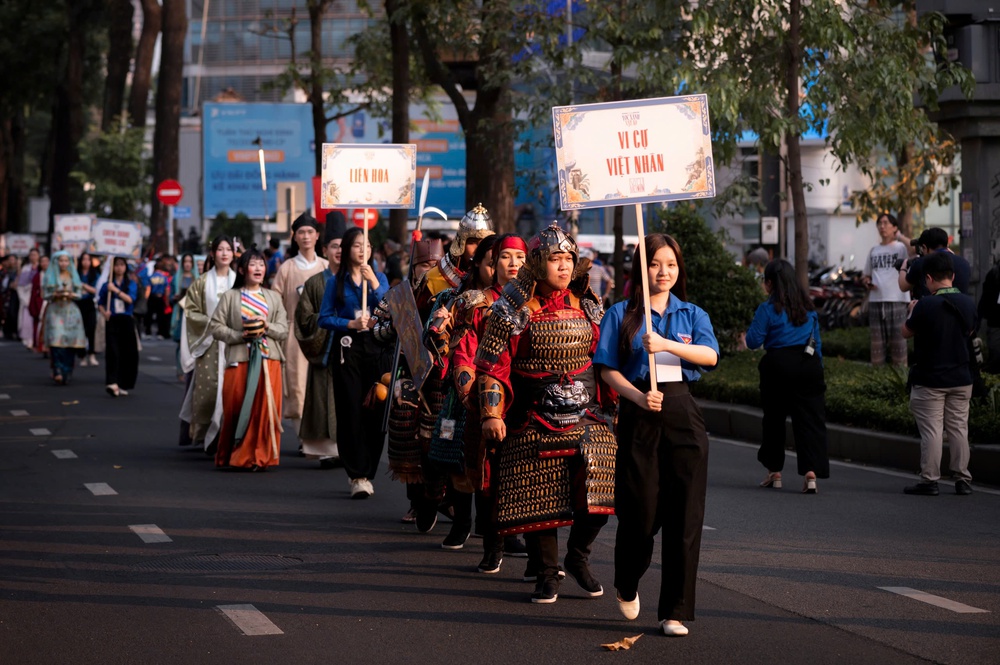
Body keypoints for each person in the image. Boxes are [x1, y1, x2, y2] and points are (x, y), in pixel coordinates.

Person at [475, 223, 616, 605]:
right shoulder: (511, 309)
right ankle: (548, 571)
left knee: (603, 483)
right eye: (555, 259)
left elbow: (603, 361)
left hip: (586, 413)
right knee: (541, 493)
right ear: (538, 264)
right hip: (531, 414)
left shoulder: (587, 304)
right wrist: (492, 413)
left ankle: (578, 555)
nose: (564, 266)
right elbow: (492, 365)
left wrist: (617, 401)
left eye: (568, 259)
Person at [595, 233, 719, 637]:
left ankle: (675, 611)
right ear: (640, 268)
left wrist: (666, 344)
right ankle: (627, 580)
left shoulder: (692, 314)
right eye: (654, 264)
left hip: (683, 412)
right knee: (639, 514)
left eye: (670, 264)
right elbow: (607, 369)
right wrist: (633, 395)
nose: (663, 271)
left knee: (686, 517)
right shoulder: (620, 313)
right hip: (640, 413)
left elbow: (710, 356)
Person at [445, 233, 529, 572]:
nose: (513, 264)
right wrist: (477, 400)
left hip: (530, 401)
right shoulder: (476, 303)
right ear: (493, 263)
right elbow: (464, 354)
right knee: (489, 478)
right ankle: (492, 545)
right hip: (489, 403)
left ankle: (539, 558)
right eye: (506, 257)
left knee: (530, 479)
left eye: (520, 258)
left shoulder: (538, 304)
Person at [423, 234, 499, 550]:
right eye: (493, 262)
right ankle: (461, 522)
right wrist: (439, 328)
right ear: (478, 263)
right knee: (454, 457)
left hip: (501, 392)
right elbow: (433, 342)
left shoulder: (521, 303)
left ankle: (493, 529)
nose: (500, 269)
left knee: (495, 465)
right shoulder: (454, 297)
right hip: (460, 393)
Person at [318, 227, 391, 498]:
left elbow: (389, 308)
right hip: (347, 350)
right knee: (351, 410)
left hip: (376, 347)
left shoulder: (380, 277)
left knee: (376, 408)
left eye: (368, 245)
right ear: (347, 249)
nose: (363, 250)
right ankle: (357, 475)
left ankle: (369, 469)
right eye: (358, 245)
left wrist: (373, 283)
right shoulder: (335, 282)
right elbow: (323, 318)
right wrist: (348, 322)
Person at [745, 259, 829, 493]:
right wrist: (817, 368)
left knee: (774, 419)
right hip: (808, 365)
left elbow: (753, 341)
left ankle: (775, 472)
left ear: (770, 283)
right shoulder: (808, 309)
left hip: (778, 366)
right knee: (810, 421)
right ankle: (811, 474)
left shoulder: (767, 309)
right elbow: (817, 344)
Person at [901, 251, 977, 496]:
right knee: (958, 428)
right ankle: (963, 479)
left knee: (933, 430)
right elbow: (971, 331)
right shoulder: (968, 302)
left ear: (928, 279)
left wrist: (911, 310)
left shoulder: (925, 304)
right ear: (953, 276)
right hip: (962, 377)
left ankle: (929, 480)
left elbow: (905, 332)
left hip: (931, 379)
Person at [210, 247, 288, 471]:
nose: (258, 268)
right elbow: (216, 327)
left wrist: (267, 326)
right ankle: (232, 453)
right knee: (236, 407)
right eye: (253, 264)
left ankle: (259, 457)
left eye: (262, 264)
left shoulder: (273, 297)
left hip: (267, 360)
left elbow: (283, 329)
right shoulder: (230, 297)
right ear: (242, 269)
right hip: (240, 359)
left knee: (264, 411)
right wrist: (239, 335)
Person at [272, 214, 329, 457]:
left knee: (321, 384)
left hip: (325, 331)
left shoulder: (326, 267)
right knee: (296, 385)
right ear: (294, 237)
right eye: (301, 232)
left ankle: (322, 435)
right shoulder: (287, 268)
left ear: (317, 235)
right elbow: (275, 301)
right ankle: (303, 437)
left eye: (310, 231)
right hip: (294, 333)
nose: (306, 236)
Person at [295, 217, 346, 468]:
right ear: (324, 250)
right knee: (324, 397)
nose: (339, 251)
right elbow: (303, 319)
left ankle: (350, 448)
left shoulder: (360, 281)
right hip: (325, 350)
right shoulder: (314, 283)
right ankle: (327, 450)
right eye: (334, 246)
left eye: (343, 246)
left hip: (352, 351)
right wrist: (329, 321)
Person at [180, 236, 236, 451]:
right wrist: (213, 324)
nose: (224, 253)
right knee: (210, 389)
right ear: (212, 254)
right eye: (219, 249)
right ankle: (207, 435)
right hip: (210, 343)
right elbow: (191, 311)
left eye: (228, 249)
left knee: (232, 390)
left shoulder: (239, 281)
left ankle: (227, 435)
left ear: (233, 254)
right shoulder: (202, 282)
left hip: (233, 343)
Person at [861, 213, 910, 366]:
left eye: (886, 223)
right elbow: (866, 275)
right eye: (879, 223)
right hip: (876, 301)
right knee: (876, 348)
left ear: (894, 227)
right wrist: (867, 281)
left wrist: (900, 236)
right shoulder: (873, 250)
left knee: (899, 346)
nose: (882, 226)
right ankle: (878, 381)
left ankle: (902, 382)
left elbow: (915, 249)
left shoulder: (901, 248)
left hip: (897, 301)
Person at [42, 251, 87, 385]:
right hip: (55, 310)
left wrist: (72, 294)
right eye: (61, 260)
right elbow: (45, 294)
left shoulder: (73, 275)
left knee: (70, 342)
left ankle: (67, 370)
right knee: (56, 341)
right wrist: (55, 294)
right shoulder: (49, 275)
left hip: (70, 311)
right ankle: (58, 369)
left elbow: (79, 293)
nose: (63, 263)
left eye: (66, 260)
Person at [98, 257, 139, 397]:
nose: (119, 268)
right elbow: (100, 303)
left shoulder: (131, 284)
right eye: (116, 265)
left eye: (122, 265)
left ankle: (123, 383)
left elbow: (130, 299)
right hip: (113, 320)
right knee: (113, 351)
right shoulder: (106, 285)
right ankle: (112, 381)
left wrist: (115, 290)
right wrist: (105, 313)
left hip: (126, 320)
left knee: (127, 353)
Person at [899, 227, 971, 299]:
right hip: (960, 307)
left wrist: (903, 267)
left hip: (932, 308)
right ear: (947, 244)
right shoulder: (964, 263)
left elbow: (903, 286)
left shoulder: (922, 263)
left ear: (925, 247)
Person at [76, 252, 100, 367]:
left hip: (90, 304)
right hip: (78, 304)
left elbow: (96, 290)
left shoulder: (94, 274)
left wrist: (84, 286)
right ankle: (82, 356)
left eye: (88, 259)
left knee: (91, 328)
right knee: (80, 330)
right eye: (83, 259)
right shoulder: (76, 273)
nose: (86, 262)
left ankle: (91, 353)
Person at [978, 257, 1000, 374]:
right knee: (996, 358)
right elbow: (984, 300)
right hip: (995, 323)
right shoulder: (993, 274)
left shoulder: (993, 273)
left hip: (994, 323)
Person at [16, 248, 40, 348]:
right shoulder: (25, 268)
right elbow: (20, 285)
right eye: (31, 255)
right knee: (27, 320)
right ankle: (29, 340)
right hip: (27, 296)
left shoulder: (42, 267)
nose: (33, 257)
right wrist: (24, 298)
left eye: (35, 255)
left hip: (39, 296)